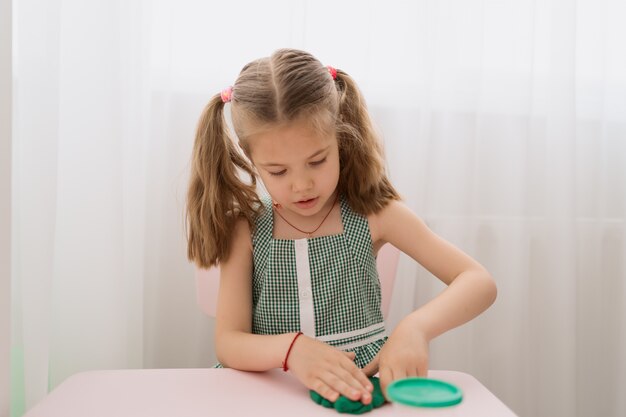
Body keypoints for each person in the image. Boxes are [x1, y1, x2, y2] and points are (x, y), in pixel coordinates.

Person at [186, 48, 497, 406]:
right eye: (278, 171)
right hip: (267, 394)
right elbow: (229, 342)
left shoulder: (377, 214)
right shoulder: (246, 227)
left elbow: (478, 282)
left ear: (340, 139)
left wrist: (416, 327)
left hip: (362, 393)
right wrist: (292, 351)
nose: (302, 184)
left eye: (317, 161)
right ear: (249, 157)